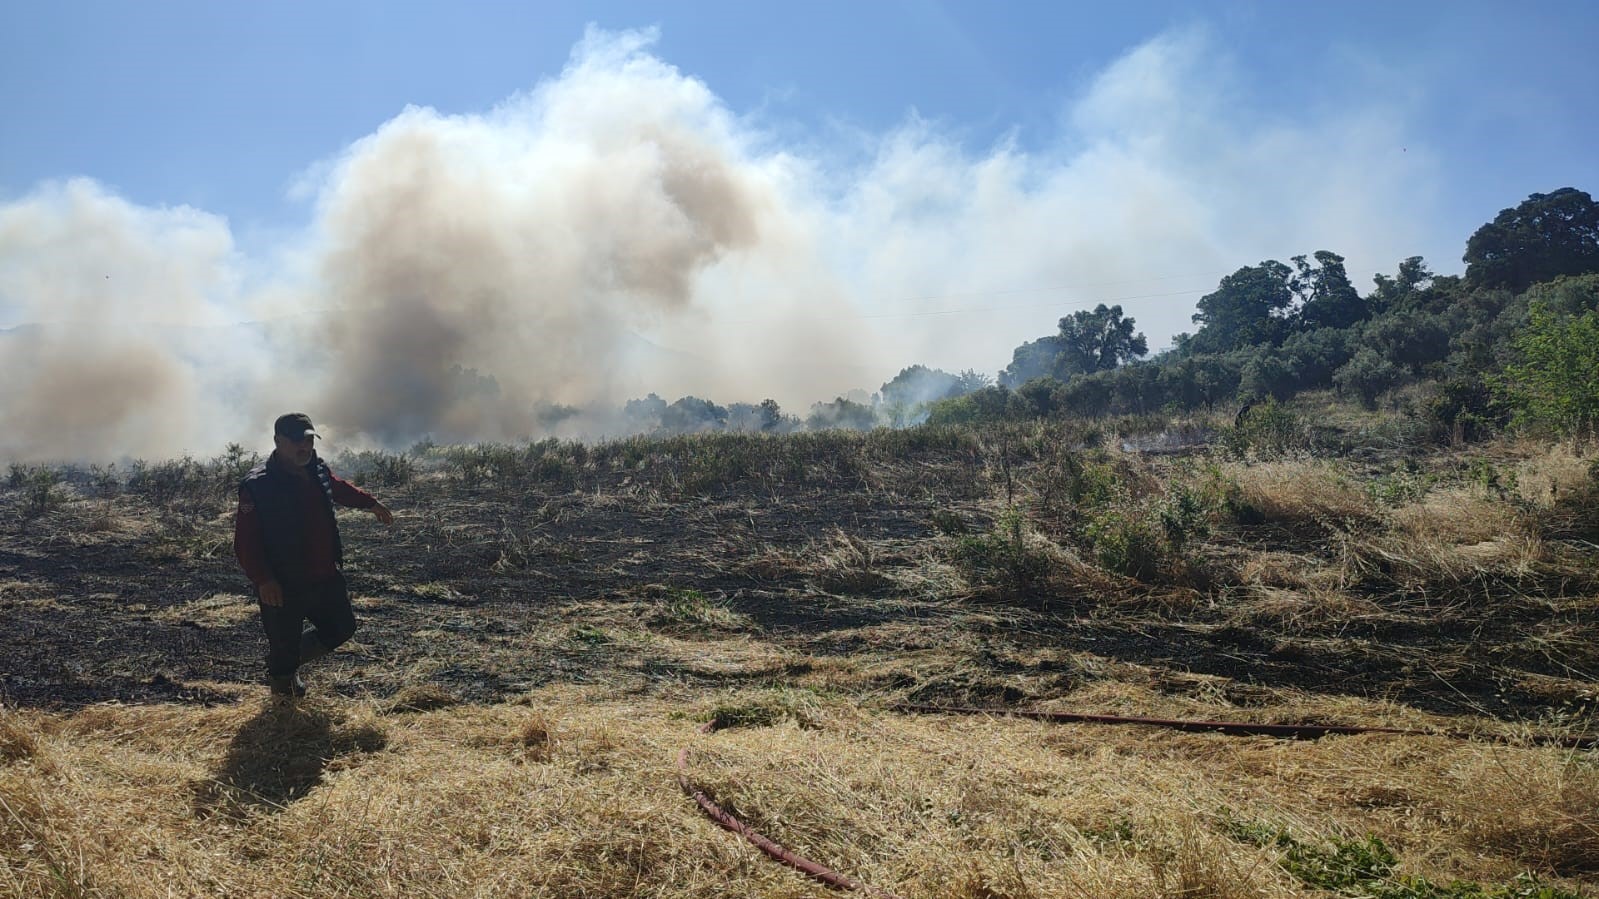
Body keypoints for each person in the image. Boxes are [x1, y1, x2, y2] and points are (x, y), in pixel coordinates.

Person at [233, 413, 394, 697]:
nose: (304, 447)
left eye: (308, 439)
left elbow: (337, 487)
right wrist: (264, 579)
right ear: (278, 442)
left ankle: (285, 663)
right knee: (284, 644)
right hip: (283, 582)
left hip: (324, 575)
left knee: (341, 627)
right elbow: (246, 542)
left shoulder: (316, 469)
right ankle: (283, 702)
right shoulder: (259, 485)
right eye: (297, 441)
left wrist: (370, 503)